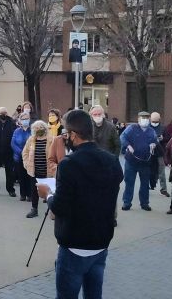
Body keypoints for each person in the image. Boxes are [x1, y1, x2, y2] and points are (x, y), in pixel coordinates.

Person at [36, 110, 123, 299]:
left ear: (74, 135)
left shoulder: (69, 164)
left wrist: (48, 194)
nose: (65, 138)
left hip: (75, 244)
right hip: (101, 242)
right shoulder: (111, 160)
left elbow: (60, 207)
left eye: (66, 134)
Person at [120, 111, 158, 211]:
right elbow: (122, 137)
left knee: (145, 183)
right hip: (131, 161)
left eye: (146, 118)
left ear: (149, 119)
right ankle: (127, 202)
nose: (144, 120)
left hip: (145, 161)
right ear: (138, 119)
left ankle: (144, 203)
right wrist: (128, 145)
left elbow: (155, 140)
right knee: (129, 182)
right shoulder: (131, 128)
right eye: (142, 118)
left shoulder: (151, 131)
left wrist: (153, 144)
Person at [22, 120, 55, 218]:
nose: (38, 130)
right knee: (34, 191)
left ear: (45, 129)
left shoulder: (51, 139)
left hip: (48, 171)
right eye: (36, 128)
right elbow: (25, 153)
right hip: (34, 171)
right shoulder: (31, 139)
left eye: (40, 128)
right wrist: (27, 164)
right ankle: (34, 209)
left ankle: (53, 211)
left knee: (51, 191)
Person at [11, 112, 32, 202]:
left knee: (30, 177)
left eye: (26, 118)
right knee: (21, 177)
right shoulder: (17, 131)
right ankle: (23, 194)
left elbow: (35, 142)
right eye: (23, 119)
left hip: (30, 158)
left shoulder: (33, 130)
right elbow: (13, 143)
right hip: (18, 157)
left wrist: (27, 153)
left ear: (29, 119)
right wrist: (21, 152)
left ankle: (30, 195)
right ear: (20, 120)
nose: (25, 120)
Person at [149, 112, 170, 197]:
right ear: (150, 119)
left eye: (156, 121)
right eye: (153, 121)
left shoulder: (163, 128)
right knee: (147, 170)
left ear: (159, 119)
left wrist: (162, 138)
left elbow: (168, 138)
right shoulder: (147, 127)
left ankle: (163, 189)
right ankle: (147, 186)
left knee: (161, 171)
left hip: (160, 152)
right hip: (149, 153)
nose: (154, 122)